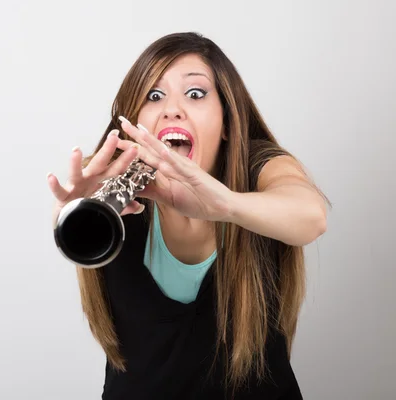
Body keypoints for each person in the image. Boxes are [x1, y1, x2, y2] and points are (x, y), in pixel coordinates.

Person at [47, 32, 329, 399]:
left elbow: (311, 216)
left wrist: (225, 204)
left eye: (195, 94)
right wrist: (77, 213)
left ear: (228, 121)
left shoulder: (259, 167)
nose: (172, 109)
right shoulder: (109, 183)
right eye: (154, 95)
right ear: (133, 122)